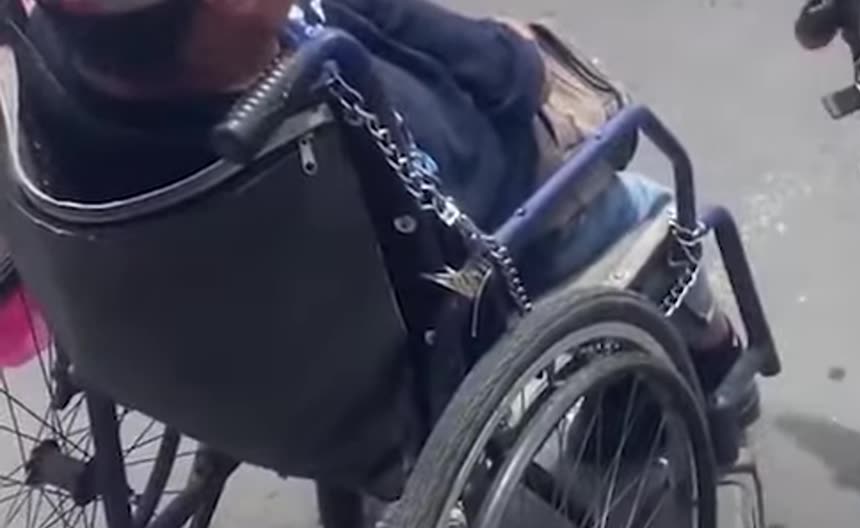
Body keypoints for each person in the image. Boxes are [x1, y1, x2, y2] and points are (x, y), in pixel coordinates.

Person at [12, 0, 755, 411]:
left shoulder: (65, 81)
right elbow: (485, 98)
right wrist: (519, 70)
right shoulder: (328, 82)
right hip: (446, 287)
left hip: (186, 336)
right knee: (642, 204)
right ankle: (715, 355)